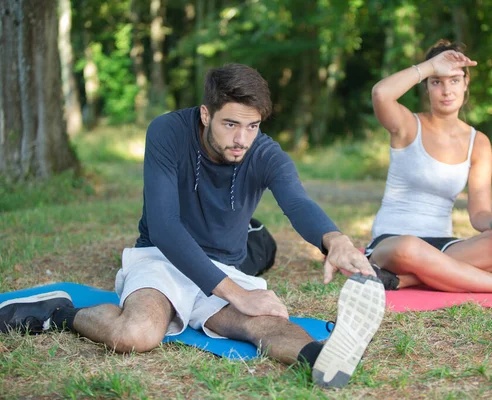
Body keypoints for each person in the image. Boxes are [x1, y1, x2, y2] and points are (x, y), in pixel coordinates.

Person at [0, 63, 385, 389]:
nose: (241, 139)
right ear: (205, 114)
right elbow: (165, 227)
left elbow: (297, 202)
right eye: (231, 124)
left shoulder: (265, 153)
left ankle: (322, 357)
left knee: (265, 325)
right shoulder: (167, 132)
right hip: (162, 258)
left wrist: (334, 239)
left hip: (225, 269)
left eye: (252, 126)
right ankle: (60, 312)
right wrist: (237, 294)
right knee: (135, 335)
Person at [367, 40, 492, 295]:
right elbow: (380, 94)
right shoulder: (407, 126)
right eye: (437, 81)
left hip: (445, 247)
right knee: (409, 247)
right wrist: (430, 66)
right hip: (392, 242)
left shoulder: (478, 143)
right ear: (427, 87)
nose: (446, 90)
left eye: (454, 80)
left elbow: (478, 214)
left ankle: (402, 280)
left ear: (466, 84)